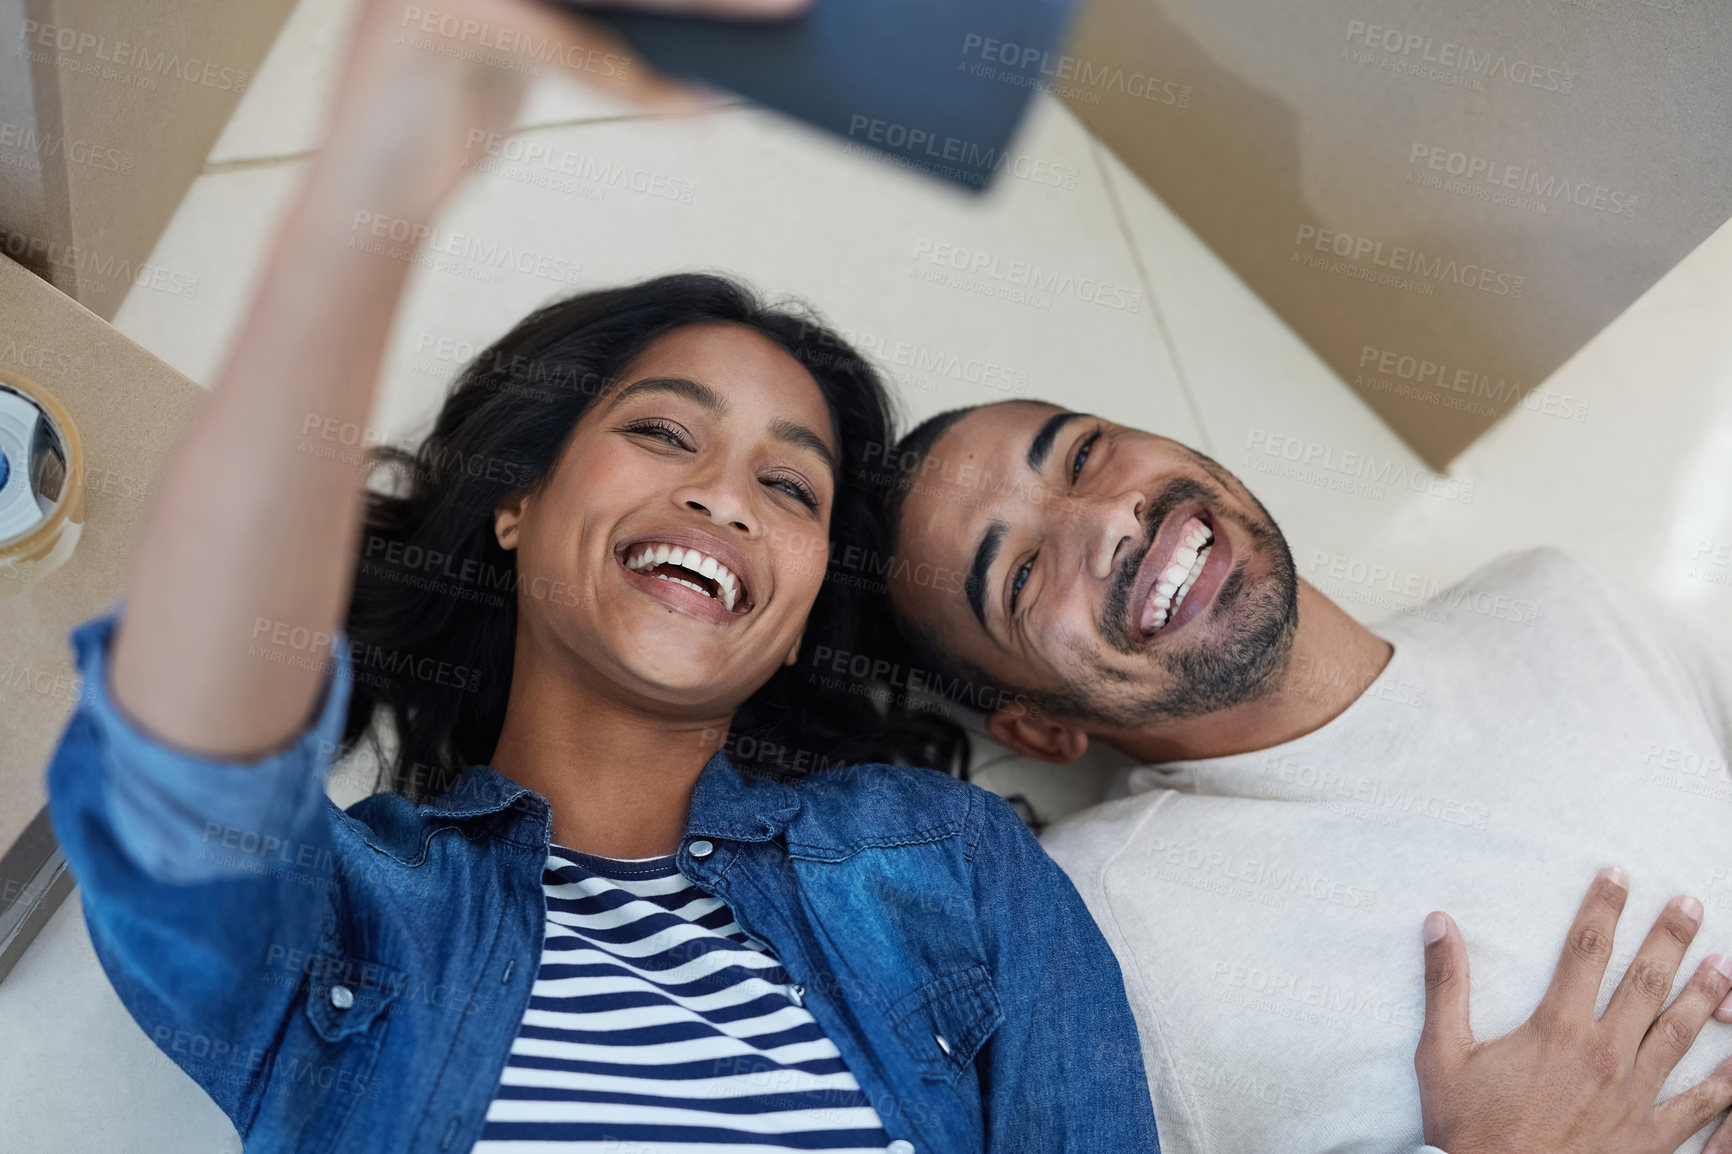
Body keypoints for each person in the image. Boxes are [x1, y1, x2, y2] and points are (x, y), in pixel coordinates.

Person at [41, 3, 1160, 1152]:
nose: (725, 495)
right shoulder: (358, 920)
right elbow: (181, 770)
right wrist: (380, 178)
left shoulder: (950, 864)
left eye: (791, 488)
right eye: (667, 433)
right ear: (516, 503)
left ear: (798, 619)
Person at [878, 398, 1732, 1153]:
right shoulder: (1088, 935)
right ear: (1041, 727)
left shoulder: (1562, 605)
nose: (1110, 520)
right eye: (1023, 574)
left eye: (1083, 454)